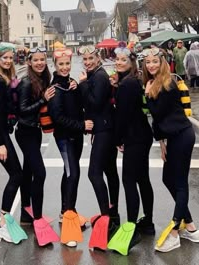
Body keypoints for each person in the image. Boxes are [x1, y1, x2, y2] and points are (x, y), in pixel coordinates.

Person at [142, 47, 199, 252]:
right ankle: (191, 227)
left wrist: (148, 96)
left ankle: (175, 232)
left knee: (180, 183)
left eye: (155, 62)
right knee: (168, 179)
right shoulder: (153, 82)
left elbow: (158, 114)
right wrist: (161, 142)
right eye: (148, 62)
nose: (151, 65)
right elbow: (161, 122)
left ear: (162, 63)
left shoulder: (167, 83)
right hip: (173, 137)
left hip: (183, 136)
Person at [107, 46, 154, 256]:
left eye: (123, 60)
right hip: (143, 135)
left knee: (128, 181)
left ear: (131, 63)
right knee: (143, 178)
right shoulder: (131, 81)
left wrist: (118, 139)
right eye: (117, 59)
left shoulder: (127, 84)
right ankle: (148, 222)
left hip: (135, 137)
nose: (118, 62)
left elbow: (122, 116)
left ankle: (132, 226)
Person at [0, 42, 27, 244]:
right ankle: (2, 221)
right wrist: (0, 143)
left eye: (10, 58)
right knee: (17, 174)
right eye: (5, 58)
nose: (8, 61)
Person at [48, 48, 93, 247]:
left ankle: (65, 211)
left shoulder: (70, 83)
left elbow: (78, 107)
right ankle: (69, 222)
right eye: (61, 65)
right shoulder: (56, 88)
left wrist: (81, 84)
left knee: (70, 175)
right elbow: (58, 118)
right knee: (72, 174)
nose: (65, 68)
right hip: (65, 138)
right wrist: (82, 125)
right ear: (55, 67)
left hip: (75, 137)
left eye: (67, 64)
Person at [15, 47, 59, 246]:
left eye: (43, 59)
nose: (40, 63)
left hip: (33, 131)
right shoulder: (26, 82)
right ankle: (38, 218)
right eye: (36, 60)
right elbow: (22, 111)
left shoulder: (42, 79)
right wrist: (43, 99)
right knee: (39, 173)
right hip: (25, 132)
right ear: (29, 62)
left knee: (28, 171)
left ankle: (26, 212)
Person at [78, 45, 120, 250]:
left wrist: (83, 84)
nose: (87, 62)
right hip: (103, 129)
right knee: (109, 171)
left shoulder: (99, 76)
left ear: (97, 58)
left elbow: (94, 103)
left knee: (94, 174)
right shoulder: (96, 74)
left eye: (90, 58)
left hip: (105, 130)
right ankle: (113, 213)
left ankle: (106, 218)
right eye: (84, 59)